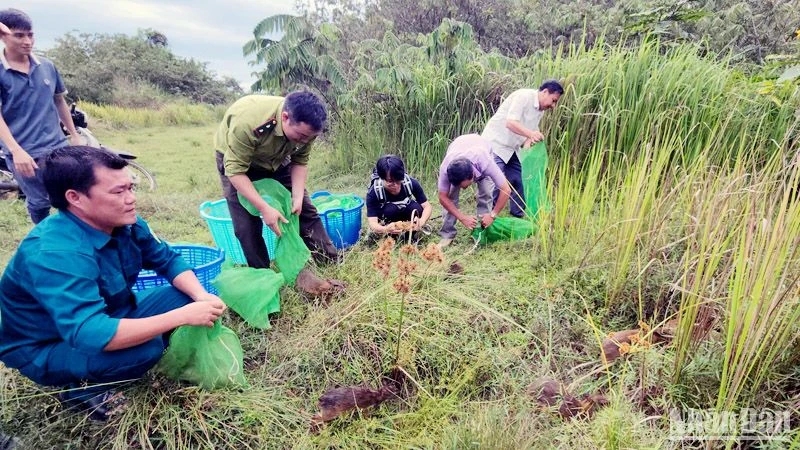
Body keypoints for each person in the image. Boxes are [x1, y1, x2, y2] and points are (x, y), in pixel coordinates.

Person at [0, 146, 227, 421]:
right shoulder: (56, 253)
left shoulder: (125, 223)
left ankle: (129, 355)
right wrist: (180, 317)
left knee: (186, 297)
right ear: (75, 198)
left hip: (110, 313)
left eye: (131, 188)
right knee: (146, 348)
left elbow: (167, 260)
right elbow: (90, 332)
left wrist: (201, 297)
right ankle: (80, 390)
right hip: (48, 344)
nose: (131, 199)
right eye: (118, 192)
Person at [215, 91, 344, 295]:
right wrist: (264, 208)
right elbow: (235, 171)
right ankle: (263, 278)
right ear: (285, 118)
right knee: (246, 225)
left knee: (305, 211)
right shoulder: (248, 124)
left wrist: (298, 196)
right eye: (301, 136)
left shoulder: (306, 130)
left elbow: (300, 162)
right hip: (238, 163)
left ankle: (330, 259)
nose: (304, 141)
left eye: (309, 138)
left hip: (278, 158)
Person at [0, 9, 80, 223]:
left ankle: (73, 238)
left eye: (30, 34)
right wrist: (16, 151)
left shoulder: (47, 66)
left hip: (57, 146)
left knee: (71, 195)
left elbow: (59, 100)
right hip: (25, 153)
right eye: (19, 35)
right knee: (39, 202)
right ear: (3, 35)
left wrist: (73, 134)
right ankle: (42, 239)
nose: (27, 41)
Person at [481, 80, 563, 217]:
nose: (553, 106)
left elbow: (527, 133)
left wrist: (531, 141)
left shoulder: (540, 111)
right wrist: (531, 134)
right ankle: (489, 218)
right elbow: (510, 123)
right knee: (496, 182)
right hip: (496, 144)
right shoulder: (523, 97)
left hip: (513, 148)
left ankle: (518, 214)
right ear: (545, 92)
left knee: (520, 180)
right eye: (553, 101)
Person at [437, 134, 512, 248]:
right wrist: (462, 217)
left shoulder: (486, 162)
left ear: (472, 176)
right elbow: (442, 197)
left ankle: (481, 232)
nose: (463, 189)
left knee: (486, 193)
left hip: (481, 148)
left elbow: (506, 189)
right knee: (451, 195)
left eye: (464, 185)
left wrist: (493, 215)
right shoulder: (446, 168)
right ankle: (447, 235)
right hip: (458, 147)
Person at [366, 155, 432, 237]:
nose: (396, 185)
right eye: (390, 182)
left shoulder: (410, 183)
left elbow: (427, 206)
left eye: (398, 180)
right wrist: (385, 229)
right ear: (382, 178)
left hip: (406, 215)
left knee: (416, 208)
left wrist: (422, 221)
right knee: (390, 210)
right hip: (388, 222)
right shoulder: (374, 192)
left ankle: (411, 233)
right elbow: (372, 223)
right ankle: (392, 236)